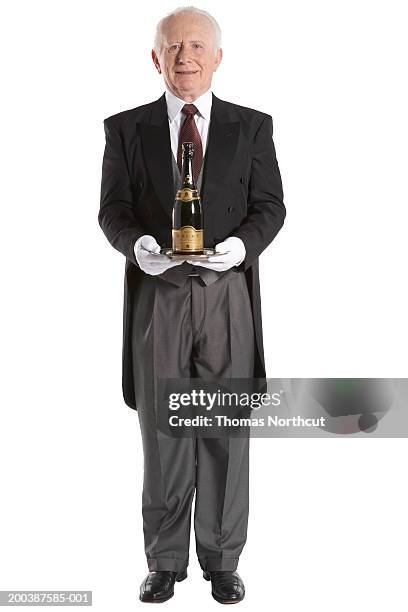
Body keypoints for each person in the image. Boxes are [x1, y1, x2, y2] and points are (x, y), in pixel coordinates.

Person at [99, 6, 285, 605]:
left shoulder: (252, 126)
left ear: (218, 57)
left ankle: (223, 560)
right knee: (164, 431)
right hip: (160, 292)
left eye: (198, 46)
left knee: (224, 427)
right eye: (174, 47)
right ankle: (164, 561)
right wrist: (137, 246)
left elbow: (271, 206)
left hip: (227, 293)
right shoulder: (125, 128)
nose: (186, 57)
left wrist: (241, 247)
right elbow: (113, 209)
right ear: (156, 57)